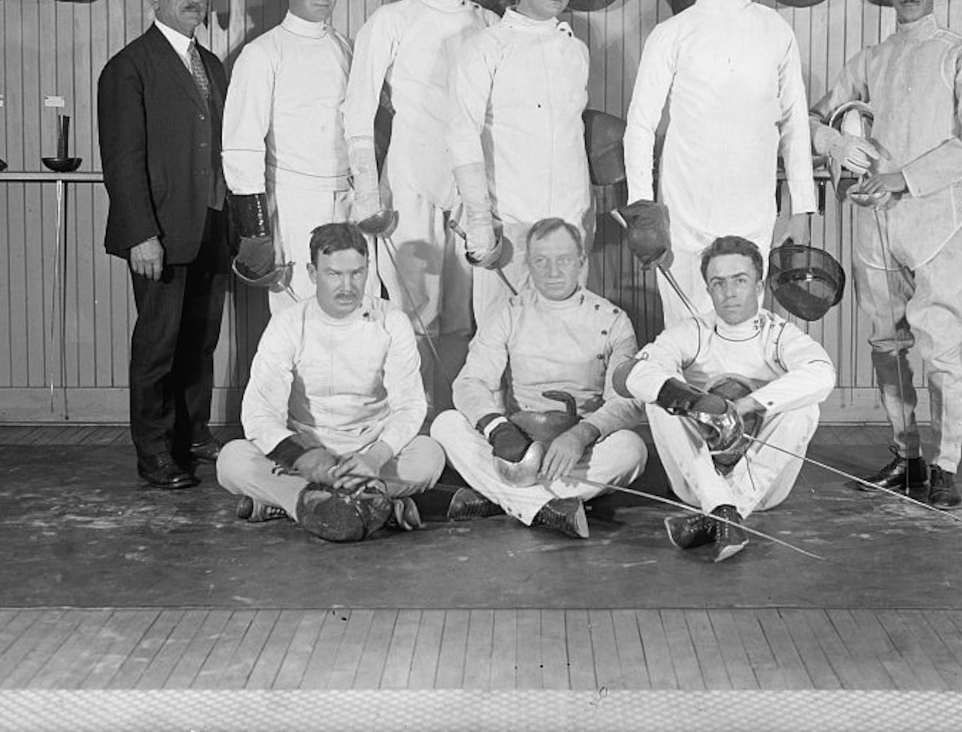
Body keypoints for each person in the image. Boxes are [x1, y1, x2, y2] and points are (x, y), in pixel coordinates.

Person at [808, 0, 962, 509]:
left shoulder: (961, 54)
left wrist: (902, 178)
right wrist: (837, 142)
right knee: (885, 343)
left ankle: (945, 465)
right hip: (874, 223)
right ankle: (906, 454)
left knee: (939, 347)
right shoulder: (870, 59)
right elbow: (816, 120)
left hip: (937, 220)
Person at [623, 0, 815, 327]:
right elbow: (639, 126)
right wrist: (643, 210)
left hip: (752, 211)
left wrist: (800, 209)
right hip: (684, 212)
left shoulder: (774, 31)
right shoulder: (671, 34)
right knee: (685, 334)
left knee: (743, 333)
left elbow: (795, 126)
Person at [342, 0, 492, 409]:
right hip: (409, 182)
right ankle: (413, 422)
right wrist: (367, 191)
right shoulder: (392, 19)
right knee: (414, 313)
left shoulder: (487, 22)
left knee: (462, 314)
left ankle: (453, 423)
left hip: (467, 185)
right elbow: (358, 109)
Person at [216, 223, 446, 542]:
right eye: (334, 274)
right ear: (312, 273)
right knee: (232, 461)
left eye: (356, 273)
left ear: (368, 270)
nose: (347, 286)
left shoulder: (392, 320)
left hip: (370, 447)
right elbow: (258, 413)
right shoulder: (287, 324)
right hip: (307, 450)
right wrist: (306, 458)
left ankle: (304, 502)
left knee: (429, 455)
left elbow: (410, 406)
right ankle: (370, 501)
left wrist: (374, 457)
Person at [98, 0, 230, 489]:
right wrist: (141, 236)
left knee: (199, 341)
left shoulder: (213, 65)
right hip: (159, 237)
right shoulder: (129, 67)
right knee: (158, 346)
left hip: (210, 228)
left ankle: (191, 436)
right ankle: (153, 450)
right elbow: (122, 162)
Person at [621, 235, 835, 562]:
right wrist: (690, 400)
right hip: (695, 487)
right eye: (718, 283)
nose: (729, 291)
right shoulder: (691, 332)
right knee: (660, 401)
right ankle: (723, 511)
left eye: (740, 280)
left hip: (765, 490)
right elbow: (633, 375)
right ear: (708, 290)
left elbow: (823, 374)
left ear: (759, 286)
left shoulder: (778, 335)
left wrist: (747, 405)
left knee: (805, 406)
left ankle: (722, 513)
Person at [430, 218, 646, 539]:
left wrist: (582, 434)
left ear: (581, 262)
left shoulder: (612, 320)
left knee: (632, 449)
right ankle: (545, 506)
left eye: (563, 260)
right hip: (516, 446)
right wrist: (497, 428)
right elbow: (470, 381)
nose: (553, 271)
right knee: (444, 424)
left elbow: (628, 400)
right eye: (541, 261)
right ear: (528, 264)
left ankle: (503, 497)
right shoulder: (509, 312)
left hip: (573, 452)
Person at [222, 0, 375, 310]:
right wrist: (257, 231)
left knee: (358, 311)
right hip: (294, 202)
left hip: (348, 199)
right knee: (300, 317)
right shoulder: (262, 53)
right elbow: (241, 147)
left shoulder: (345, 47)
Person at [447, 0, 592, 320]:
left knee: (567, 346)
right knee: (500, 347)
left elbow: (572, 139)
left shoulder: (575, 51)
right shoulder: (485, 47)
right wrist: (479, 220)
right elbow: (462, 134)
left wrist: (584, 214)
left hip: (567, 227)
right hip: (509, 226)